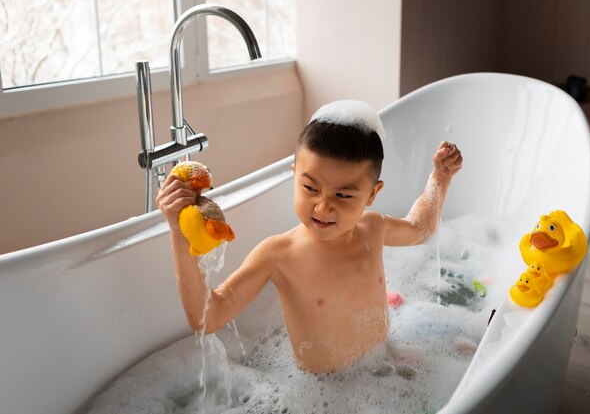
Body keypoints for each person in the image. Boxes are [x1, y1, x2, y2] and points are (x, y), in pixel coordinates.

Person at [156, 100, 463, 373]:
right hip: (324, 394)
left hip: (383, 363)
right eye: (310, 188)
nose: (323, 206)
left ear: (372, 194)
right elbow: (207, 318)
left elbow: (421, 229)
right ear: (294, 176)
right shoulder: (278, 254)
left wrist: (441, 178)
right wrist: (182, 236)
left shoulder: (373, 228)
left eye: (343, 195)